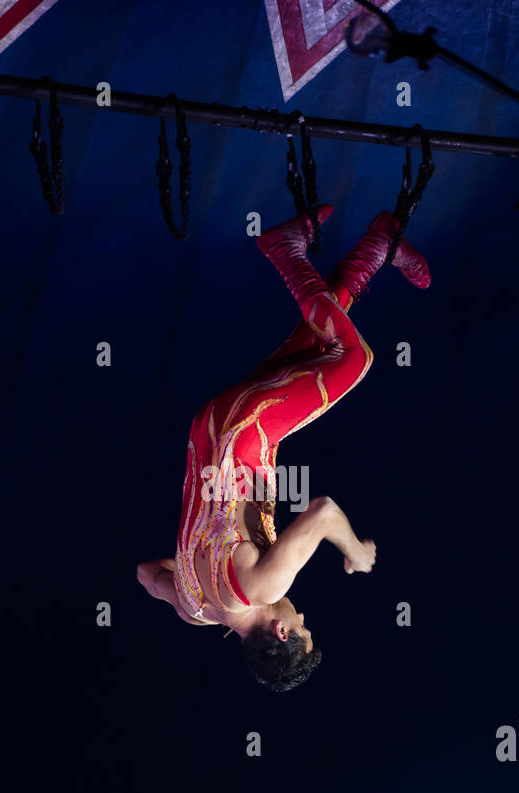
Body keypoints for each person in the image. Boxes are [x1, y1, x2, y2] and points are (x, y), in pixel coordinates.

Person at [137, 205, 430, 691]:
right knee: (315, 345)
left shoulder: (262, 590)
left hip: (244, 431)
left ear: (280, 630)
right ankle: (378, 247)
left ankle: (284, 250)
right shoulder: (195, 611)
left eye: (303, 628)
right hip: (205, 430)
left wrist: (355, 552)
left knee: (354, 359)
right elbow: (147, 575)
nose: (303, 615)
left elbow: (322, 513)